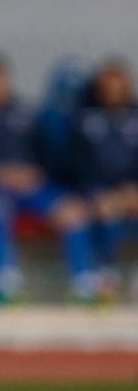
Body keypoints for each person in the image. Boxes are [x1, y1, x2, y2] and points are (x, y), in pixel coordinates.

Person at [0, 55, 104, 301]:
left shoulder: (24, 115)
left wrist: (34, 171)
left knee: (72, 210)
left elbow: (47, 156)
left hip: (29, 186)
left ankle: (84, 284)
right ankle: (6, 283)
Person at [72, 60, 138, 294]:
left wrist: (131, 187)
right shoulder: (85, 120)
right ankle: (106, 275)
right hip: (95, 189)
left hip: (131, 189)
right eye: (108, 87)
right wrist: (102, 190)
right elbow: (79, 162)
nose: (113, 93)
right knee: (107, 208)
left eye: (118, 87)